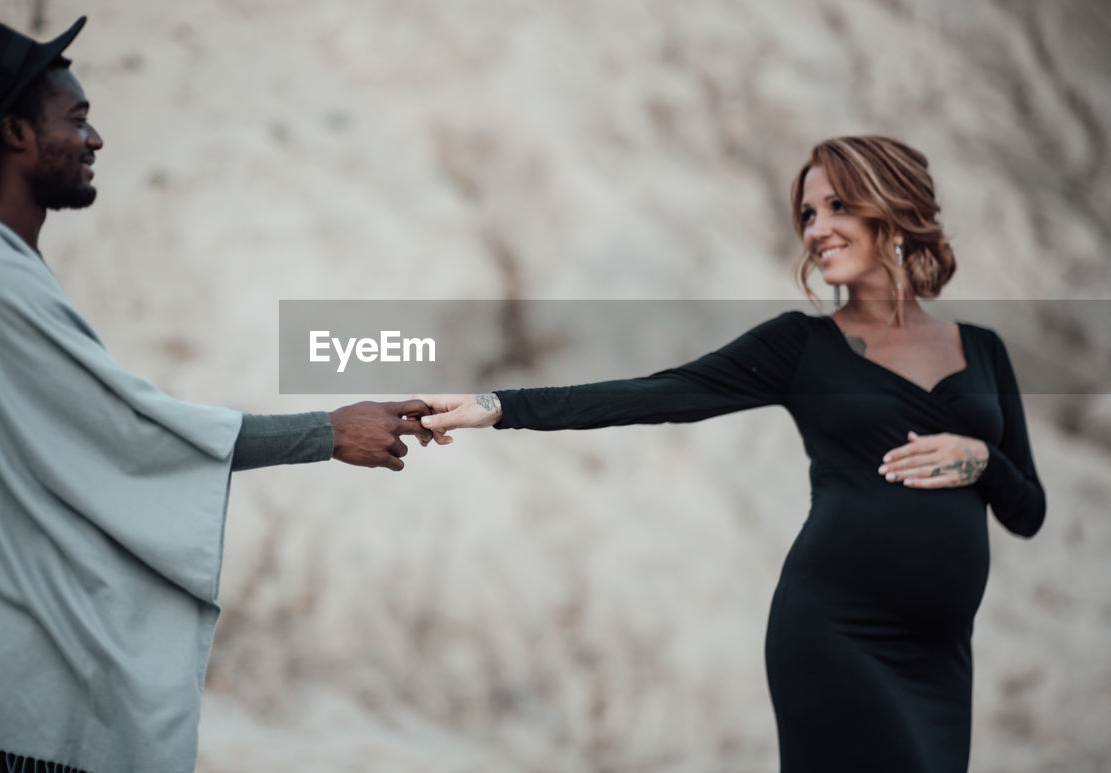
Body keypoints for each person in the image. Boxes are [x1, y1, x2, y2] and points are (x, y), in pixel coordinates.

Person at [0, 16, 431, 773]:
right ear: (19, 134)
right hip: (6, 690)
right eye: (78, 118)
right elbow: (133, 431)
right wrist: (327, 431)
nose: (95, 141)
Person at [418, 135, 1046, 773]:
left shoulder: (984, 351)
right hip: (837, 634)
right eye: (807, 214)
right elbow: (658, 394)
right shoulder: (800, 347)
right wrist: (498, 406)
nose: (817, 230)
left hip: (941, 658)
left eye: (837, 207)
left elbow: (1029, 512)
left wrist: (984, 462)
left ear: (894, 209)